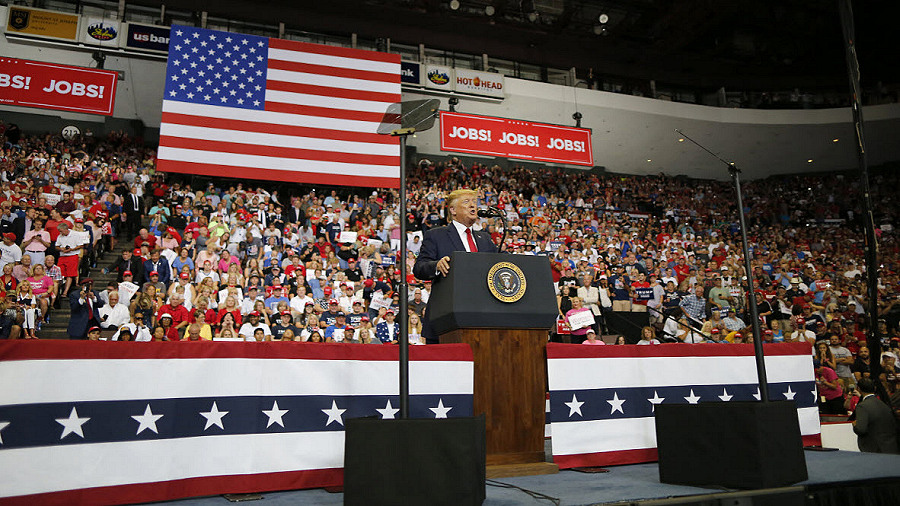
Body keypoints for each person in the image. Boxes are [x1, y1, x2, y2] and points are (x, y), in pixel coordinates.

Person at [413, 189, 498, 343]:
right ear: (452, 210)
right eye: (466, 202)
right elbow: (419, 268)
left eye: (474, 202)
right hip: (446, 317)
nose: (473, 206)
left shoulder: (485, 238)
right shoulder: (436, 235)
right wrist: (436, 266)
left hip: (483, 315)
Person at [851, 378, 898, 453]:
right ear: (874, 388)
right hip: (890, 447)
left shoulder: (862, 406)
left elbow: (861, 429)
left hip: (873, 448)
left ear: (858, 389)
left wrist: (855, 425)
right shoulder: (884, 404)